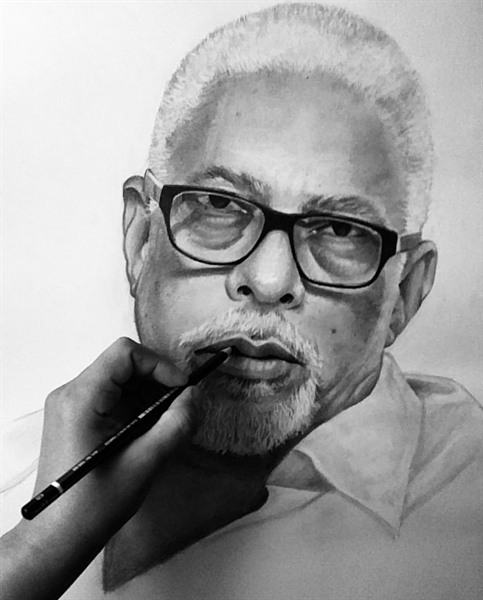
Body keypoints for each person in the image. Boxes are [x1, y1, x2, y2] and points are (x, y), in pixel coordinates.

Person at [1, 3, 482, 599]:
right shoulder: (17, 461)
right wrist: (37, 549)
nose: (270, 279)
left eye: (338, 230)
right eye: (220, 206)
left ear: (405, 294)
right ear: (139, 237)